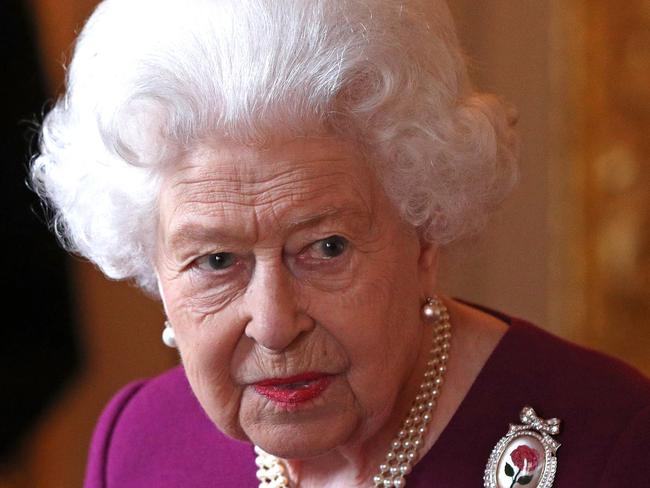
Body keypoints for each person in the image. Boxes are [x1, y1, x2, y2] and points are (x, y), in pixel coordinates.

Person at [31, 0, 650, 486]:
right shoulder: (140, 442)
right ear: (156, 269)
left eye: (325, 247)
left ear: (424, 233)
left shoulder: (612, 443)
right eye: (217, 261)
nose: (274, 325)